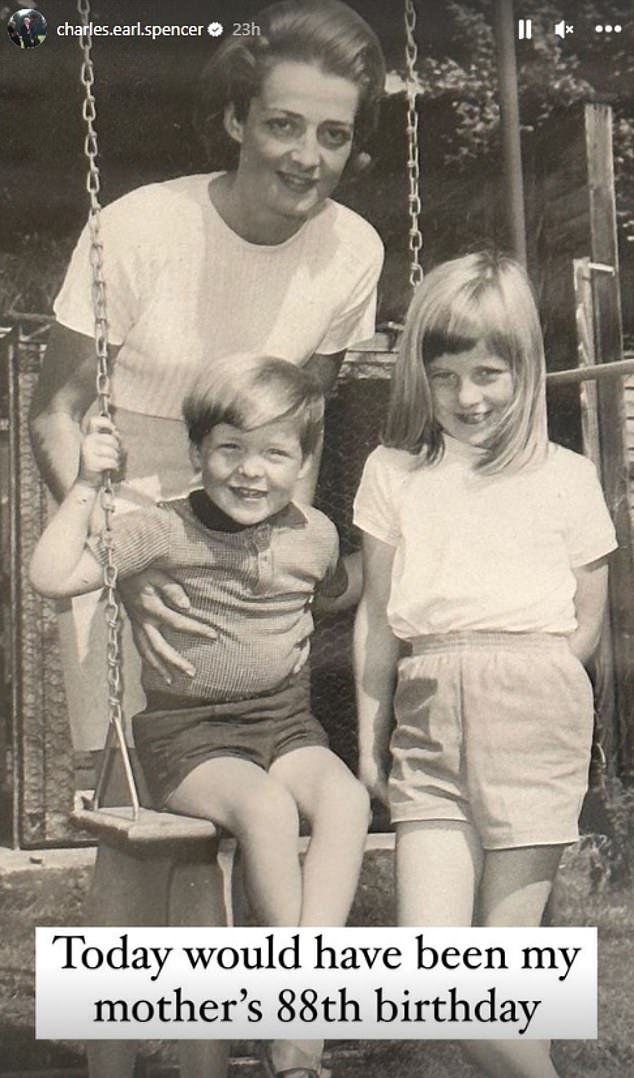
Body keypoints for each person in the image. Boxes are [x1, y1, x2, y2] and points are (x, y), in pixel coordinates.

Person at [28, 4, 384, 1075]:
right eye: (284, 125)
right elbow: (57, 409)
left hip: (250, 533)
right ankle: (124, 1054)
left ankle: (252, 1034)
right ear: (235, 118)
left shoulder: (352, 251)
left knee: (262, 797)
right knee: (142, 827)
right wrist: (125, 548)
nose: (307, 156)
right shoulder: (137, 228)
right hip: (128, 519)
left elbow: (307, 424)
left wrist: (273, 550)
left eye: (331, 134)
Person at [31, 355, 370, 1077]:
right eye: (230, 448)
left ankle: (300, 1015)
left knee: (346, 799)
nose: (252, 472)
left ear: (304, 461)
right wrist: (90, 486)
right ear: (196, 453)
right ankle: (300, 1012)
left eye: (276, 453)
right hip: (190, 736)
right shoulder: (159, 530)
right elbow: (51, 576)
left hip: (284, 723)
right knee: (269, 811)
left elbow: (342, 587)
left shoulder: (312, 535)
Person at [352, 252, 617, 1078]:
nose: (469, 397)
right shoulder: (393, 476)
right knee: (435, 978)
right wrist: (370, 739)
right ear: (419, 379)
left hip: (533, 713)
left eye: (490, 372)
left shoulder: (568, 479)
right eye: (445, 376)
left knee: (502, 983)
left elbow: (587, 623)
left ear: (526, 369)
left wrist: (524, 692)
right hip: (427, 717)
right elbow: (376, 619)